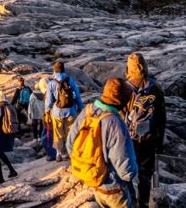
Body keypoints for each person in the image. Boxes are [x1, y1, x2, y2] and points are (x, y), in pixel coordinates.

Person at [67, 78, 137, 208]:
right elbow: (126, 170)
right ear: (121, 100)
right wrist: (133, 173)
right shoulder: (115, 123)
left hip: (93, 182)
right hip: (114, 188)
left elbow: (70, 144)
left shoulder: (87, 111)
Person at [125, 53, 166, 208]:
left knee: (126, 174)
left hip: (129, 139)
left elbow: (120, 116)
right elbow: (162, 117)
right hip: (149, 139)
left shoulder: (125, 88)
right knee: (145, 177)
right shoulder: (155, 87)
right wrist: (160, 141)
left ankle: (130, 202)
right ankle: (143, 203)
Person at [45, 61, 83, 162]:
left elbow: (49, 100)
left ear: (54, 70)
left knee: (58, 134)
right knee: (70, 133)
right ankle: (69, 153)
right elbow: (78, 96)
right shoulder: (70, 81)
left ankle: (59, 154)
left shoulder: (52, 83)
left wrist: (47, 111)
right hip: (71, 110)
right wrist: (80, 108)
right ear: (63, 69)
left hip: (57, 112)